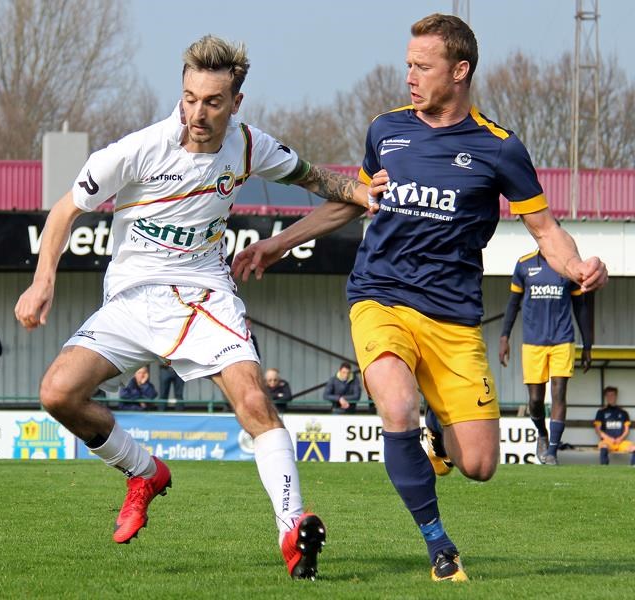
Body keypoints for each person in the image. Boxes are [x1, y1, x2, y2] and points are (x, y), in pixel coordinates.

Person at [232, 14, 608, 582]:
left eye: (422, 66)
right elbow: (355, 201)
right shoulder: (386, 130)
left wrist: (578, 265)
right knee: (398, 405)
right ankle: (439, 546)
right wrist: (278, 243)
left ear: (459, 71)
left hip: (453, 318)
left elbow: (545, 231)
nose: (409, 75)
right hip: (379, 296)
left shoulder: (500, 148)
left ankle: (437, 442)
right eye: (408, 63)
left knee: (479, 464)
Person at [14, 34, 371, 579]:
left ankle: (293, 530)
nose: (197, 113)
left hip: (205, 293)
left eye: (211, 102)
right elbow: (64, 211)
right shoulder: (136, 150)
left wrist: (364, 193)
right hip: (133, 298)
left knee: (253, 398)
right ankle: (143, 472)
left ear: (236, 103)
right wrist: (43, 282)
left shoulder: (250, 146)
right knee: (57, 394)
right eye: (188, 98)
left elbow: (317, 180)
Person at [499, 249, 593, 465]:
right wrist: (505, 336)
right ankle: (542, 434)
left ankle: (552, 451)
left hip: (563, 339)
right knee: (535, 399)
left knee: (559, 392)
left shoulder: (569, 268)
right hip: (533, 342)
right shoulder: (524, 264)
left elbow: (580, 307)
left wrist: (588, 343)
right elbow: (513, 303)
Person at [594, 386, 635, 466]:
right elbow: (598, 430)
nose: (610, 397)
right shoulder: (601, 412)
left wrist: (620, 438)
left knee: (634, 447)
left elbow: (627, 429)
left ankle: (633, 468)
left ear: (616, 396)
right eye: (608, 395)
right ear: (605, 397)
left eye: (612, 395)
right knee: (604, 446)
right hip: (607, 441)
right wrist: (609, 438)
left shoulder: (623, 412)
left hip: (620, 442)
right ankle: (604, 468)